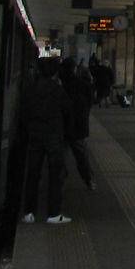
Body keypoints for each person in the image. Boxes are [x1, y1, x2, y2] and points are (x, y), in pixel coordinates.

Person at [20, 55, 70, 224]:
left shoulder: (30, 89)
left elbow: (24, 112)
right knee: (55, 174)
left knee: (33, 173)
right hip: (53, 135)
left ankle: (28, 212)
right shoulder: (57, 89)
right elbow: (67, 109)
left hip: (35, 134)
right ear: (54, 72)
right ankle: (54, 213)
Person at [60, 60, 95, 191]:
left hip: (62, 126)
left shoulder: (61, 85)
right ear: (75, 69)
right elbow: (90, 102)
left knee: (61, 156)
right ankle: (89, 180)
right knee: (82, 156)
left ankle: (60, 180)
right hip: (78, 126)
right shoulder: (84, 85)